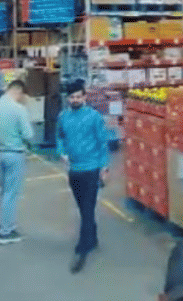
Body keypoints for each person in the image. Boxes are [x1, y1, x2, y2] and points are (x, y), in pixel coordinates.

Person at [56, 79, 111, 273]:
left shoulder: (94, 117)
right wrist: (61, 151)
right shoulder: (63, 117)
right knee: (83, 208)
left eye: (79, 96)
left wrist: (104, 168)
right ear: (68, 98)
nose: (75, 100)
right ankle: (93, 236)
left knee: (88, 208)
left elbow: (102, 142)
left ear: (85, 96)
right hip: (74, 170)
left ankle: (82, 248)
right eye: (72, 97)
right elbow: (60, 137)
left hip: (92, 169)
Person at [0, 79, 35, 245]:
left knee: (4, 192)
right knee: (11, 194)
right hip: (15, 154)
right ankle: (6, 232)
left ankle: (4, 224)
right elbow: (28, 135)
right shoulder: (19, 109)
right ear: (19, 91)